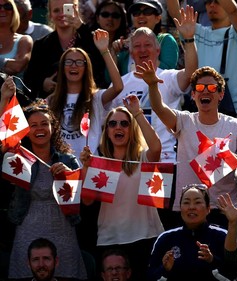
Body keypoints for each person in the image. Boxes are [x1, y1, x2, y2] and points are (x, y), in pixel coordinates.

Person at [143, 62, 237, 246]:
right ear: (193, 94)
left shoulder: (236, 126)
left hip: (225, 212)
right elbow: (159, 108)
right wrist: (152, 85)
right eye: (199, 87)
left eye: (212, 87)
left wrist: (230, 157)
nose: (205, 91)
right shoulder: (183, 120)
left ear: (221, 94)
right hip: (190, 210)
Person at [0, 80, 87, 279]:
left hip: (63, 229)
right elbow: (2, 141)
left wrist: (69, 174)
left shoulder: (67, 159)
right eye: (33, 125)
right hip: (27, 228)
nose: (39, 129)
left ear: (53, 127)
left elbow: (85, 197)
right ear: (26, 131)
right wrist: (4, 98)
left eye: (44, 124)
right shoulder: (18, 159)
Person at [80, 100, 164, 281]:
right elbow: (87, 201)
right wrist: (86, 169)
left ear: (131, 129)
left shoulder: (143, 158)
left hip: (145, 237)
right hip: (110, 240)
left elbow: (156, 147)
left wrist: (137, 113)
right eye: (113, 124)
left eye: (124, 123)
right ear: (107, 131)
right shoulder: (99, 163)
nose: (118, 127)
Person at [110, 6, 197, 163]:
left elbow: (191, 74)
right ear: (131, 53)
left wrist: (189, 39)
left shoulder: (168, 77)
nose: (142, 50)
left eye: (148, 45)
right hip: (129, 161)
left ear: (158, 50)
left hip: (164, 160)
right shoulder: (120, 85)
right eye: (137, 46)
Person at [47, 29, 123, 161]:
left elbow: (118, 86)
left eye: (79, 62)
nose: (73, 66)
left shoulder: (96, 98)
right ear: (62, 68)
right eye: (69, 62)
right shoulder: (51, 100)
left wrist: (104, 51)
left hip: (90, 168)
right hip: (61, 169)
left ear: (86, 68)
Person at [167, 0, 237, 117]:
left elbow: (233, 11)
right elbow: (175, 14)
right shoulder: (196, 31)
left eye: (217, 1)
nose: (212, 5)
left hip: (230, 114)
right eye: (208, 2)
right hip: (197, 113)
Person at [148, 184, 232, 281]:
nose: (191, 207)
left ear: (208, 208)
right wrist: (164, 269)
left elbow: (234, 275)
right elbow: (150, 276)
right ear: (180, 208)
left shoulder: (222, 236)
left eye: (197, 202)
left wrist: (212, 260)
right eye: (186, 202)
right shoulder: (166, 238)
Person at [24, 0, 106, 100]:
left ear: (75, 10)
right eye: (56, 10)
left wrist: (81, 27)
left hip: (85, 101)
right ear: (50, 15)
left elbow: (100, 68)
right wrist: (43, 83)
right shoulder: (41, 45)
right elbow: (29, 80)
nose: (62, 14)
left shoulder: (89, 38)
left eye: (66, 9)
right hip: (52, 105)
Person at [115, 0, 179, 74]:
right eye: (136, 13)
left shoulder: (166, 40)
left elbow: (168, 72)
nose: (141, 16)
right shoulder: (126, 45)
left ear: (158, 18)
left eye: (147, 12)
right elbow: (109, 79)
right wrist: (114, 53)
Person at [91, 0, 128, 86]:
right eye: (105, 14)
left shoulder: (126, 44)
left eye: (115, 15)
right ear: (97, 18)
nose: (110, 19)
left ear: (121, 19)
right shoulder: (88, 41)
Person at [0, 0, 33, 83]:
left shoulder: (24, 40)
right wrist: (7, 63)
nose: (2, 9)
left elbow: (17, 67)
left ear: (14, 12)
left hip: (14, 94)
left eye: (8, 6)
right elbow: (10, 68)